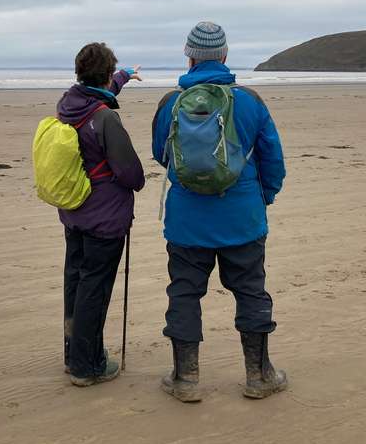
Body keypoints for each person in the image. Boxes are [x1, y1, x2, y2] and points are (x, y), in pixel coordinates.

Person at [151, 21, 287, 402]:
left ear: (189, 55)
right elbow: (272, 159)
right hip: (241, 217)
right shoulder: (250, 101)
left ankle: (185, 378)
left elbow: (161, 154)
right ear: (224, 56)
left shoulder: (170, 103)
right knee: (250, 290)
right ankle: (259, 375)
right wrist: (265, 197)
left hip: (187, 220)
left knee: (184, 293)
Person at [57, 42, 145, 386]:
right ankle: (87, 365)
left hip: (74, 210)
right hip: (104, 219)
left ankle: (71, 355)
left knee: (75, 282)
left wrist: (124, 76)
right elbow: (130, 173)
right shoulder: (105, 117)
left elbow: (99, 94)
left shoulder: (68, 106)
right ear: (105, 75)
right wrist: (137, 181)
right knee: (95, 287)